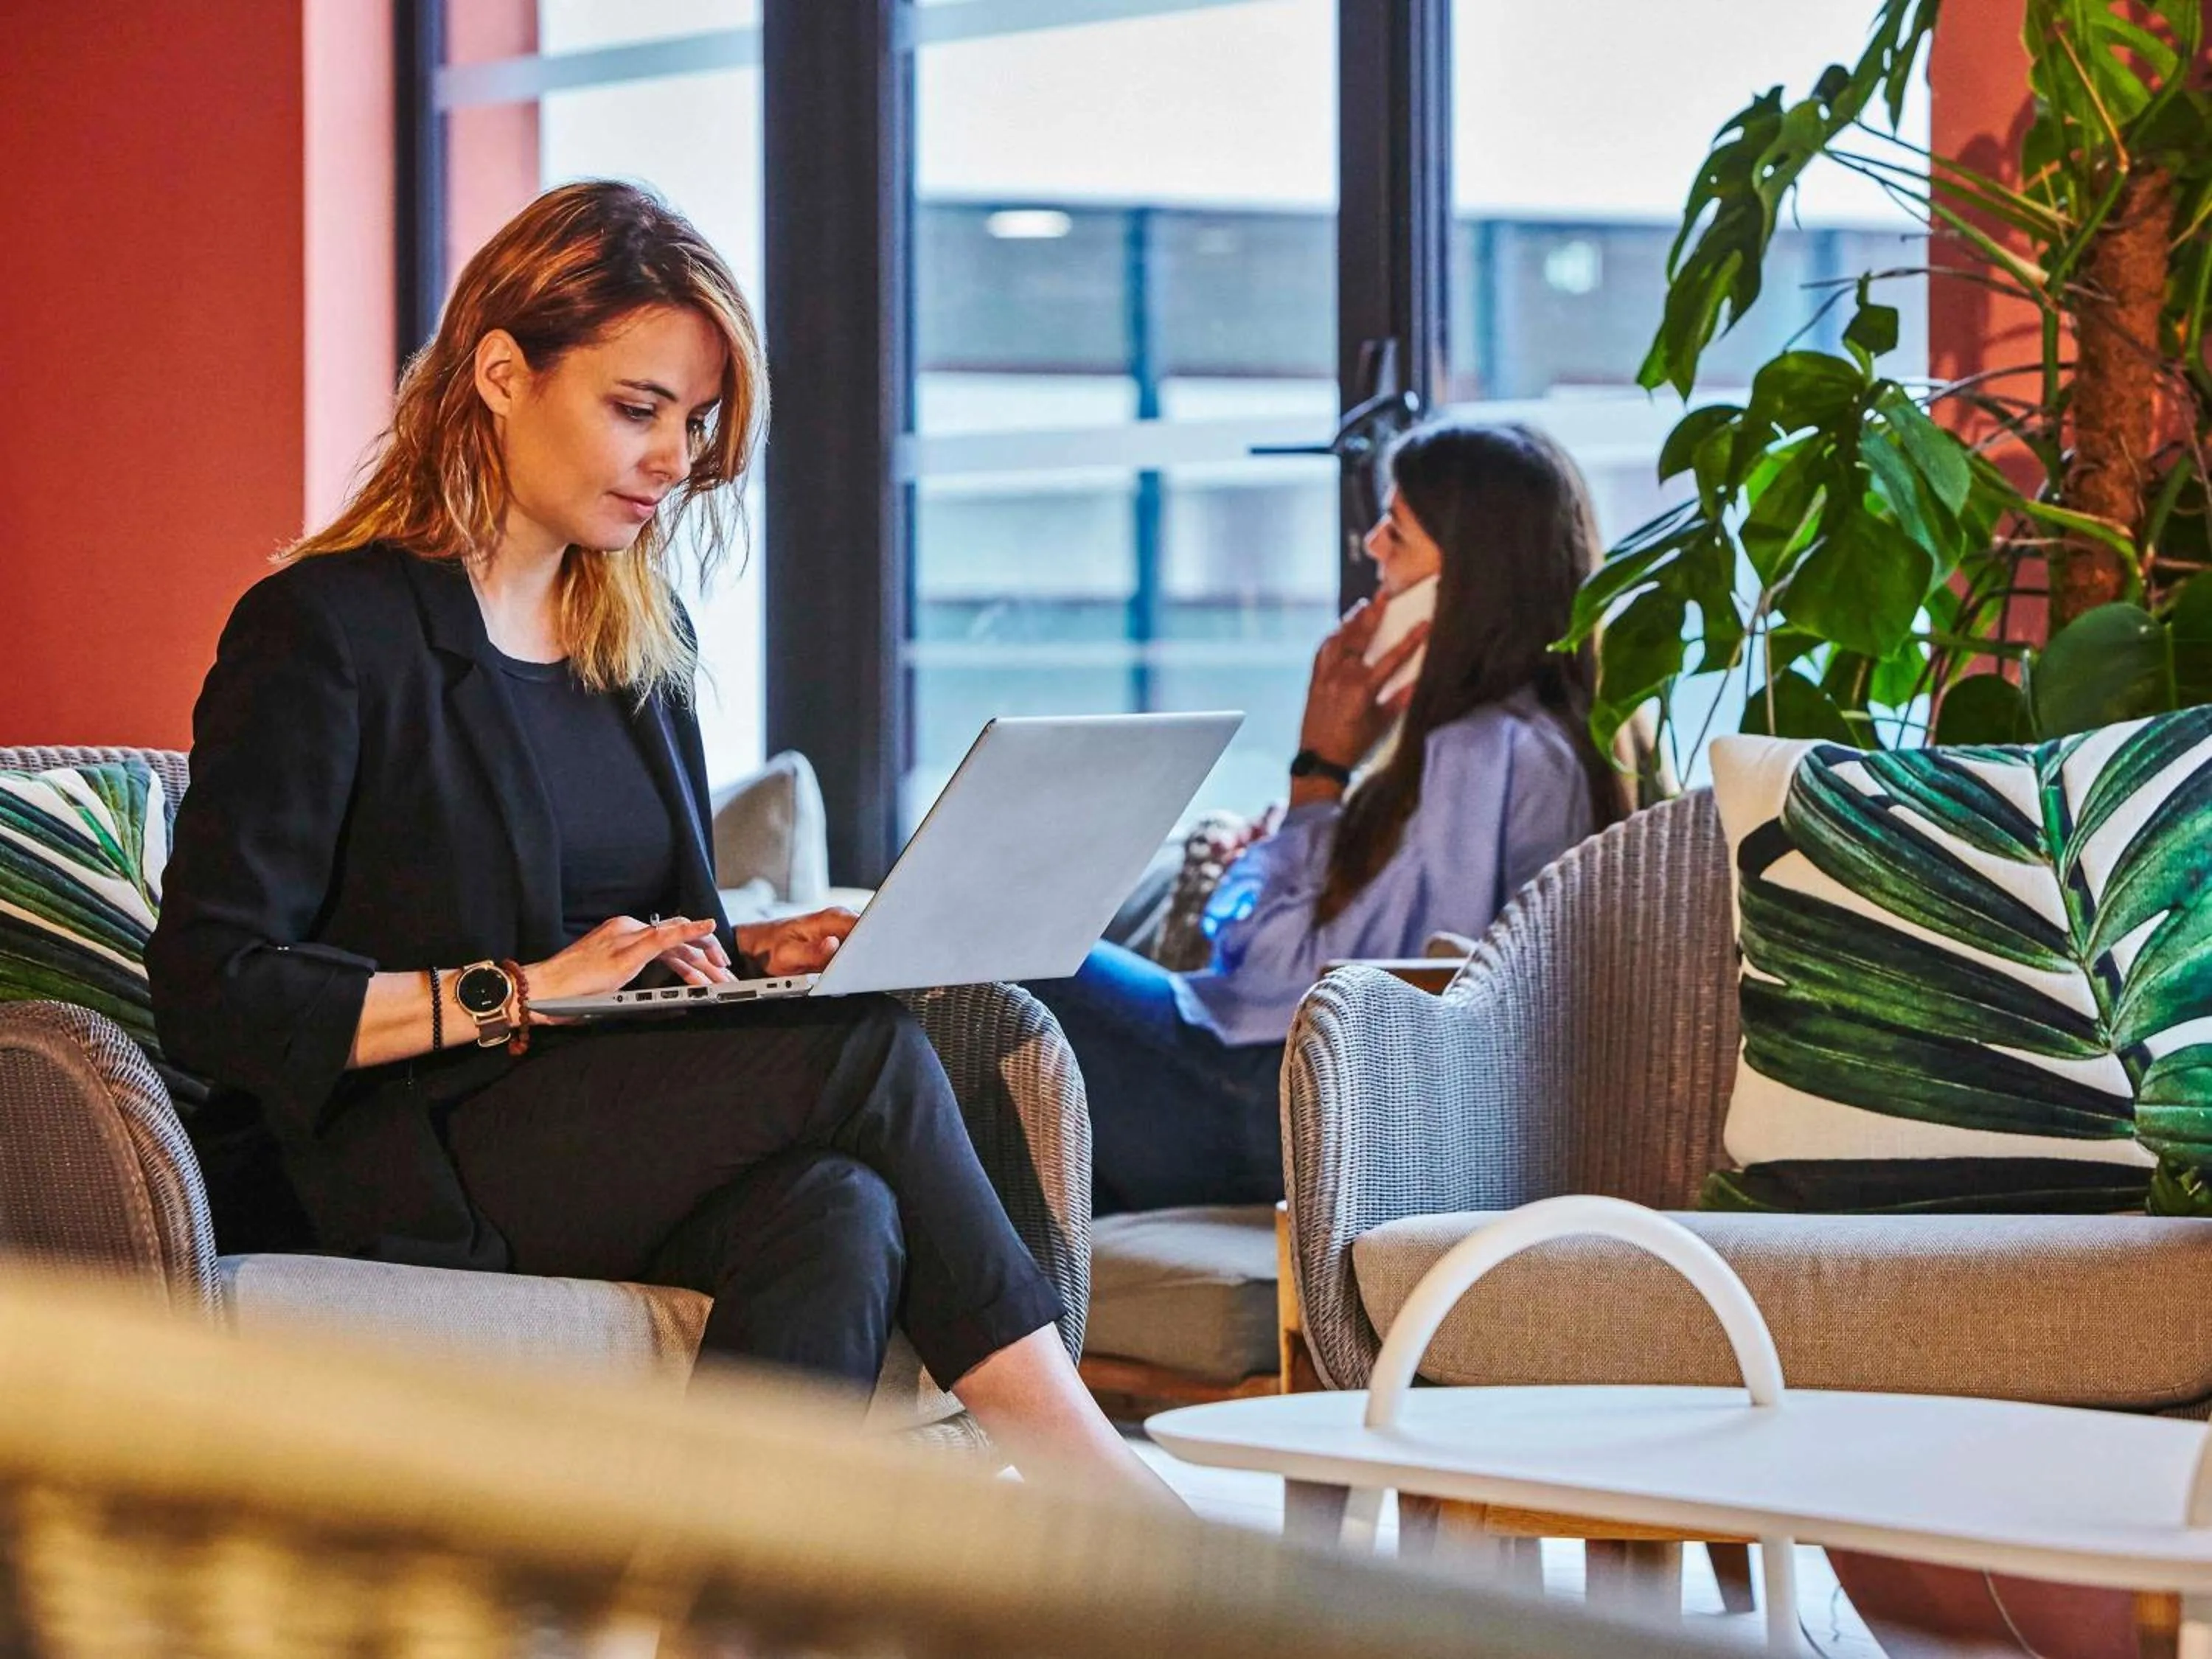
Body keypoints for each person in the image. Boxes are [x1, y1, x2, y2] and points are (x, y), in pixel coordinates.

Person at [147, 180, 1163, 1500]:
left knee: (838, 1218)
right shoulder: (326, 631)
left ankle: (699, 1627)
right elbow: (210, 995)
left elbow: (650, 943)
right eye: (638, 409)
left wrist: (759, 950)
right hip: (401, 1146)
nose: (676, 457)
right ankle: (1110, 1501)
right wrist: (513, 992)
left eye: (694, 422)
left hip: (591, 1125)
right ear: (502, 373)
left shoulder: (639, 646)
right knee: (867, 1057)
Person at [1028, 422, 1630, 1216]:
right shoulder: (1547, 741)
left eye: (1397, 531)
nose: (1372, 548)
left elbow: (1292, 983)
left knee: (1017, 960)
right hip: (1307, 1101)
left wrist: (1320, 772)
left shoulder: (1483, 752)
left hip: (1296, 1110)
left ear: (1463, 581)